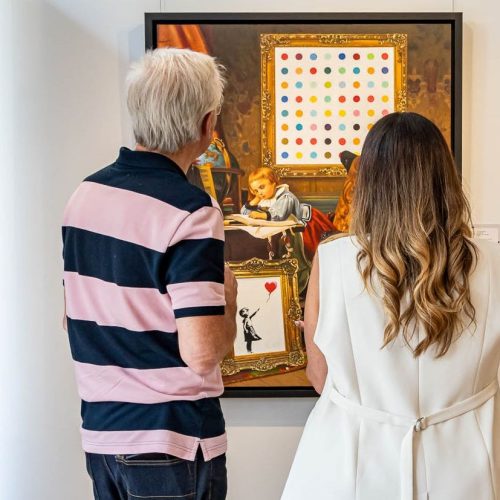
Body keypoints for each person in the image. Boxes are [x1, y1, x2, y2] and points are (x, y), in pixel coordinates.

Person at [282, 112, 500, 500]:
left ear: (368, 183)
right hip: (466, 465)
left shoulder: (333, 260)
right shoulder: (492, 262)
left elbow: (320, 378)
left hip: (354, 465)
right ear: (445, 179)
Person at [62, 48, 237, 500]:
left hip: (102, 435)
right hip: (169, 441)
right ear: (206, 124)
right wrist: (230, 298)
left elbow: (72, 316)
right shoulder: (191, 211)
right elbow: (202, 354)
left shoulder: (85, 196)